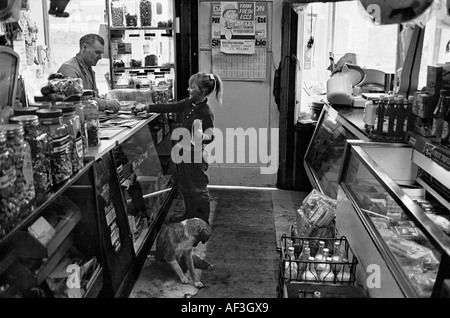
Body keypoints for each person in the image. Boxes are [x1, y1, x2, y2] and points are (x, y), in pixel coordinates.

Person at [134, 72, 223, 224]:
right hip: (183, 153)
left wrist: (203, 137)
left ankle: (202, 221)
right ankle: (189, 215)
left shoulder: (206, 112)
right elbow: (169, 106)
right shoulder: (188, 103)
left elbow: (211, 135)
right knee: (185, 186)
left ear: (202, 92)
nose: (188, 90)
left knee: (198, 189)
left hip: (196, 157)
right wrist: (147, 107)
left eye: (192, 87)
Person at [58, 33, 120, 113]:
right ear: (84, 47)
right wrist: (105, 103)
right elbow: (76, 100)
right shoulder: (69, 69)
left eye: (101, 53)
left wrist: (105, 99)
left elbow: (93, 96)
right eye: (97, 52)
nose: (100, 57)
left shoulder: (89, 69)